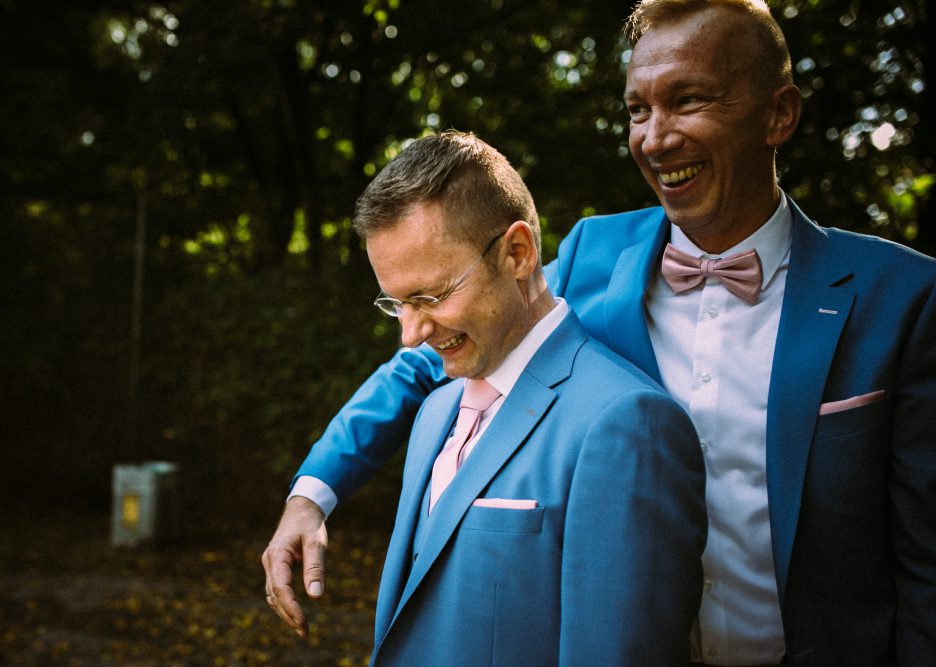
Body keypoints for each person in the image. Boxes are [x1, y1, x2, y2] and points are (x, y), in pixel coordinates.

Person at [263, 1, 936, 664]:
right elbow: (426, 358)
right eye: (638, 110)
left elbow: (925, 565)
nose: (655, 136)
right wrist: (313, 493)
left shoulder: (900, 297)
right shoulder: (594, 253)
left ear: (778, 114)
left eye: (688, 100)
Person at [331, 130, 707, 664]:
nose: (409, 335)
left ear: (518, 252)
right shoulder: (436, 409)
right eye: (396, 304)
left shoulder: (627, 424)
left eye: (430, 296)